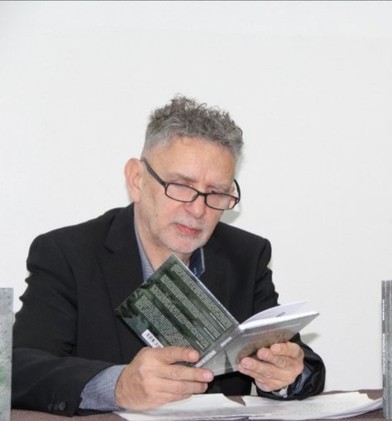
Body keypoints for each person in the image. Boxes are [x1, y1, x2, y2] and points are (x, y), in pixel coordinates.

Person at [12, 96, 325, 415]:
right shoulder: (68, 254)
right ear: (136, 180)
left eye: (216, 193)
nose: (198, 209)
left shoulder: (245, 256)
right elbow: (17, 368)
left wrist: (288, 375)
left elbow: (302, 363)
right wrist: (118, 386)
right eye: (180, 186)